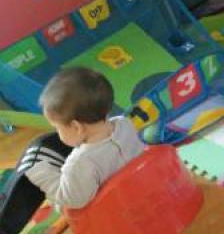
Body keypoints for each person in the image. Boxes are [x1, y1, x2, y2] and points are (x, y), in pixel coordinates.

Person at [24, 67, 144, 208]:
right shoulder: (125, 124)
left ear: (77, 127)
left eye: (57, 127)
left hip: (115, 210)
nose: (56, 132)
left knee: (60, 202)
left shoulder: (80, 163)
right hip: (140, 190)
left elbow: (73, 200)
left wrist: (42, 175)